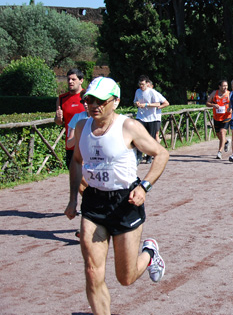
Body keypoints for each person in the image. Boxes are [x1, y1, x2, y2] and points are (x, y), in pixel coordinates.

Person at [64, 76, 169, 315]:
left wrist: (144, 187)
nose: (94, 105)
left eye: (101, 100)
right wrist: (73, 199)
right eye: (90, 99)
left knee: (126, 277)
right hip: (94, 203)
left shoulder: (128, 126)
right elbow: (77, 162)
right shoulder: (82, 127)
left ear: (116, 101)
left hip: (125, 202)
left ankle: (150, 253)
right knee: (92, 272)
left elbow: (161, 154)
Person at [133, 75, 170, 164]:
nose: (141, 86)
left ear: (147, 84)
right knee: (139, 136)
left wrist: (146, 105)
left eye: (142, 84)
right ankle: (139, 156)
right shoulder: (137, 91)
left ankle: (149, 156)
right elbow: (134, 101)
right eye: (140, 84)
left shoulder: (152, 92)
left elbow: (157, 104)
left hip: (152, 118)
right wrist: (136, 103)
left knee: (151, 138)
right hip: (141, 117)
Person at [55, 68, 85, 168]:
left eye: (73, 79)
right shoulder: (61, 98)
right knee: (74, 176)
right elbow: (59, 122)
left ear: (81, 81)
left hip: (87, 143)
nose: (70, 82)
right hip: (71, 144)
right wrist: (58, 117)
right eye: (68, 79)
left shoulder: (88, 96)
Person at [206, 80, 232, 159]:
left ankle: (219, 152)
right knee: (218, 134)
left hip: (226, 116)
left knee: (222, 132)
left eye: (226, 86)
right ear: (219, 86)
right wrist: (213, 105)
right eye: (224, 86)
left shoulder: (229, 94)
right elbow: (207, 103)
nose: (225, 88)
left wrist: (231, 109)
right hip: (217, 117)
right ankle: (226, 142)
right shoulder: (214, 93)